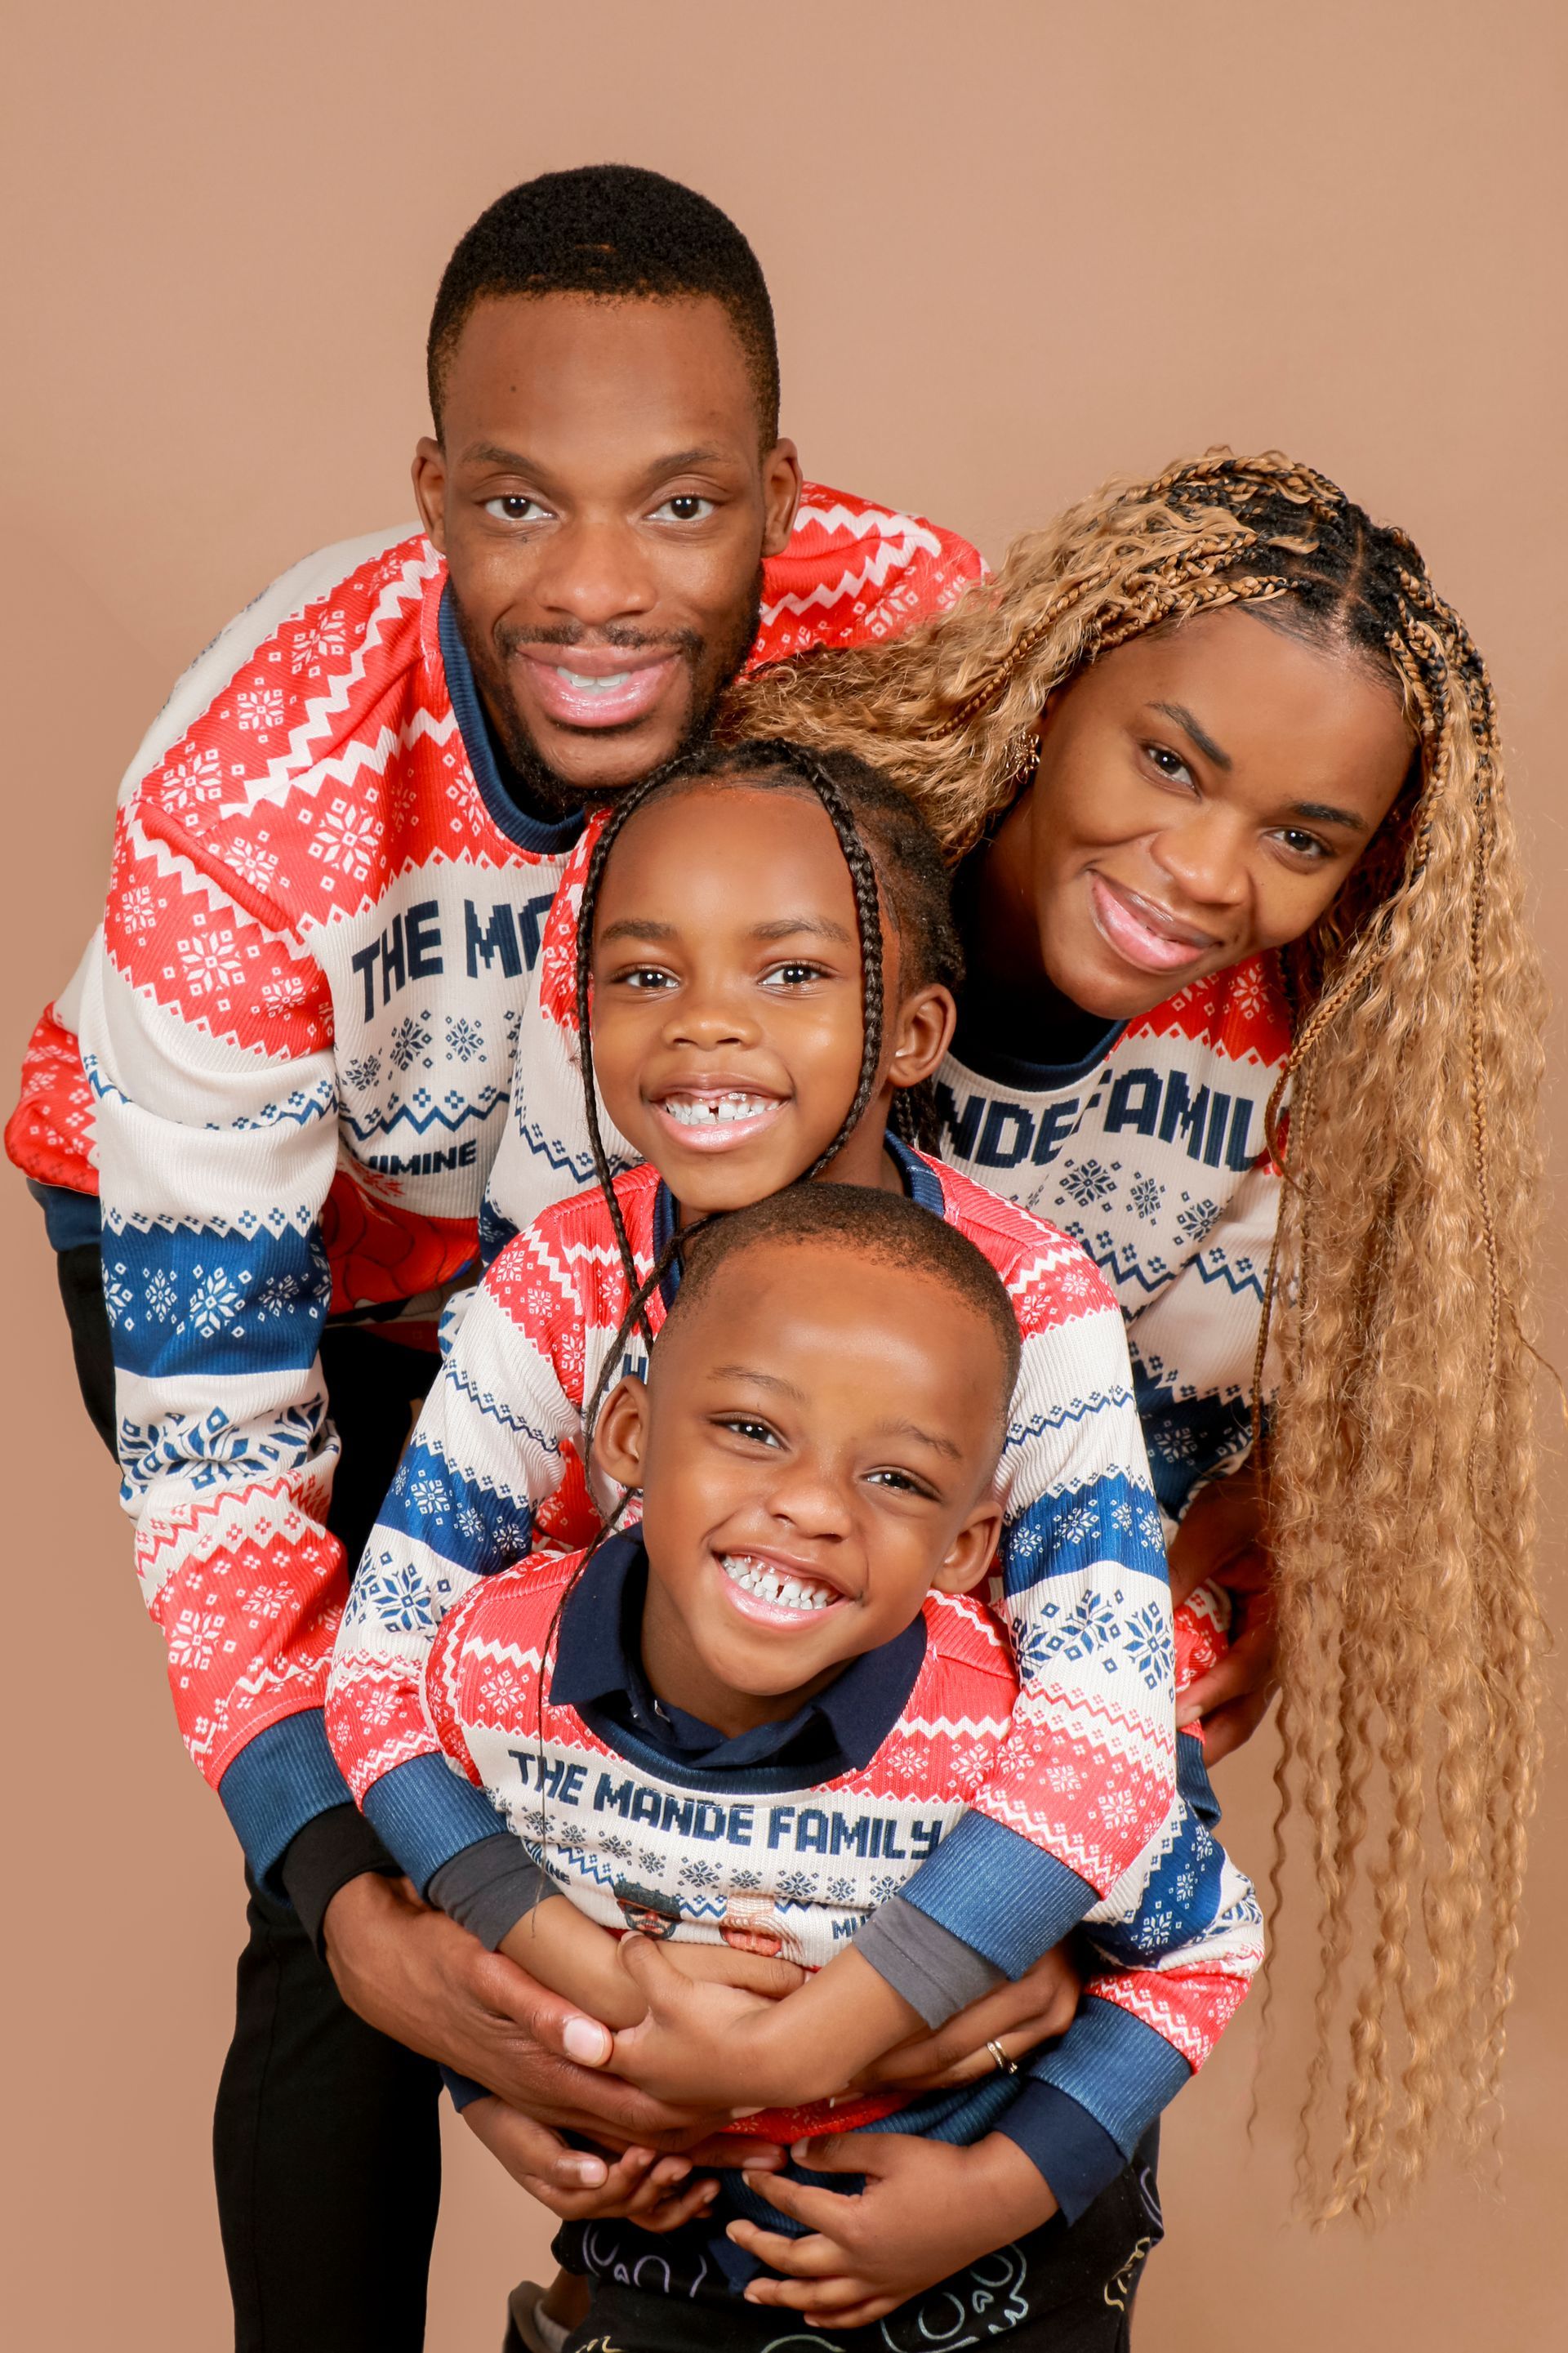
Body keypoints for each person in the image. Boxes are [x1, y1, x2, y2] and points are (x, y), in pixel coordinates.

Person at [5, 166, 982, 2350]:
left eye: (681, 509)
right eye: (523, 509)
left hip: (652, 1242)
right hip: (290, 1279)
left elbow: (1119, 989)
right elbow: (219, 1462)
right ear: (433, 492)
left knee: (726, 1725)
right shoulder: (245, 793)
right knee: (345, 1868)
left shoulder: (920, 638)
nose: (604, 594)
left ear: (783, 502)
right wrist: (369, 1900)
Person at [329, 739, 1258, 2343]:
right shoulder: (561, 1281)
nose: (708, 1021)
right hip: (657, 2024)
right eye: (645, 971)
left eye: (790, 970)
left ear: (908, 1031)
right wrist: (552, 2029)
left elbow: (1105, 1757)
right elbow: (403, 1672)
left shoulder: (1027, 1298)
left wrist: (810, 2056)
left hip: (951, 2066)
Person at [733, 448, 1546, 2213]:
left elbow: (1238, 1424)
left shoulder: (1307, 1039)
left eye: (1301, 838)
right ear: (1055, 678)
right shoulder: (822, 899)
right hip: (771, 1635)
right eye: (1169, 761)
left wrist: (1283, 1506)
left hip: (1058, 1682)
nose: (1198, 869)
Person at [415, 1184, 1260, 2347]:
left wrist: (998, 2189)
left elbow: (1203, 1949)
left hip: (998, 2292)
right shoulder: (497, 1675)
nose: (811, 1505)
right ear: (628, 1439)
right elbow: (447, 1909)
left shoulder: (1014, 1745)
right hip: (664, 2281)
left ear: (965, 1550)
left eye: (897, 1478)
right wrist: (501, 2089)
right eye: (754, 1429)